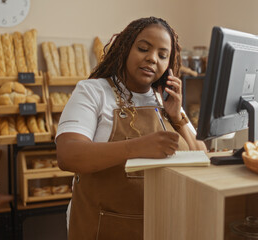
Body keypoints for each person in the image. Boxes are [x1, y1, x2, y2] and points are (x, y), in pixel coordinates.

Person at [56, 16, 207, 240]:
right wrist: (138, 147)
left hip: (160, 227)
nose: (152, 59)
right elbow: (68, 155)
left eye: (162, 55)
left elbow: (202, 157)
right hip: (101, 229)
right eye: (143, 48)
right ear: (125, 48)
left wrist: (178, 118)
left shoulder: (165, 100)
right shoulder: (92, 91)